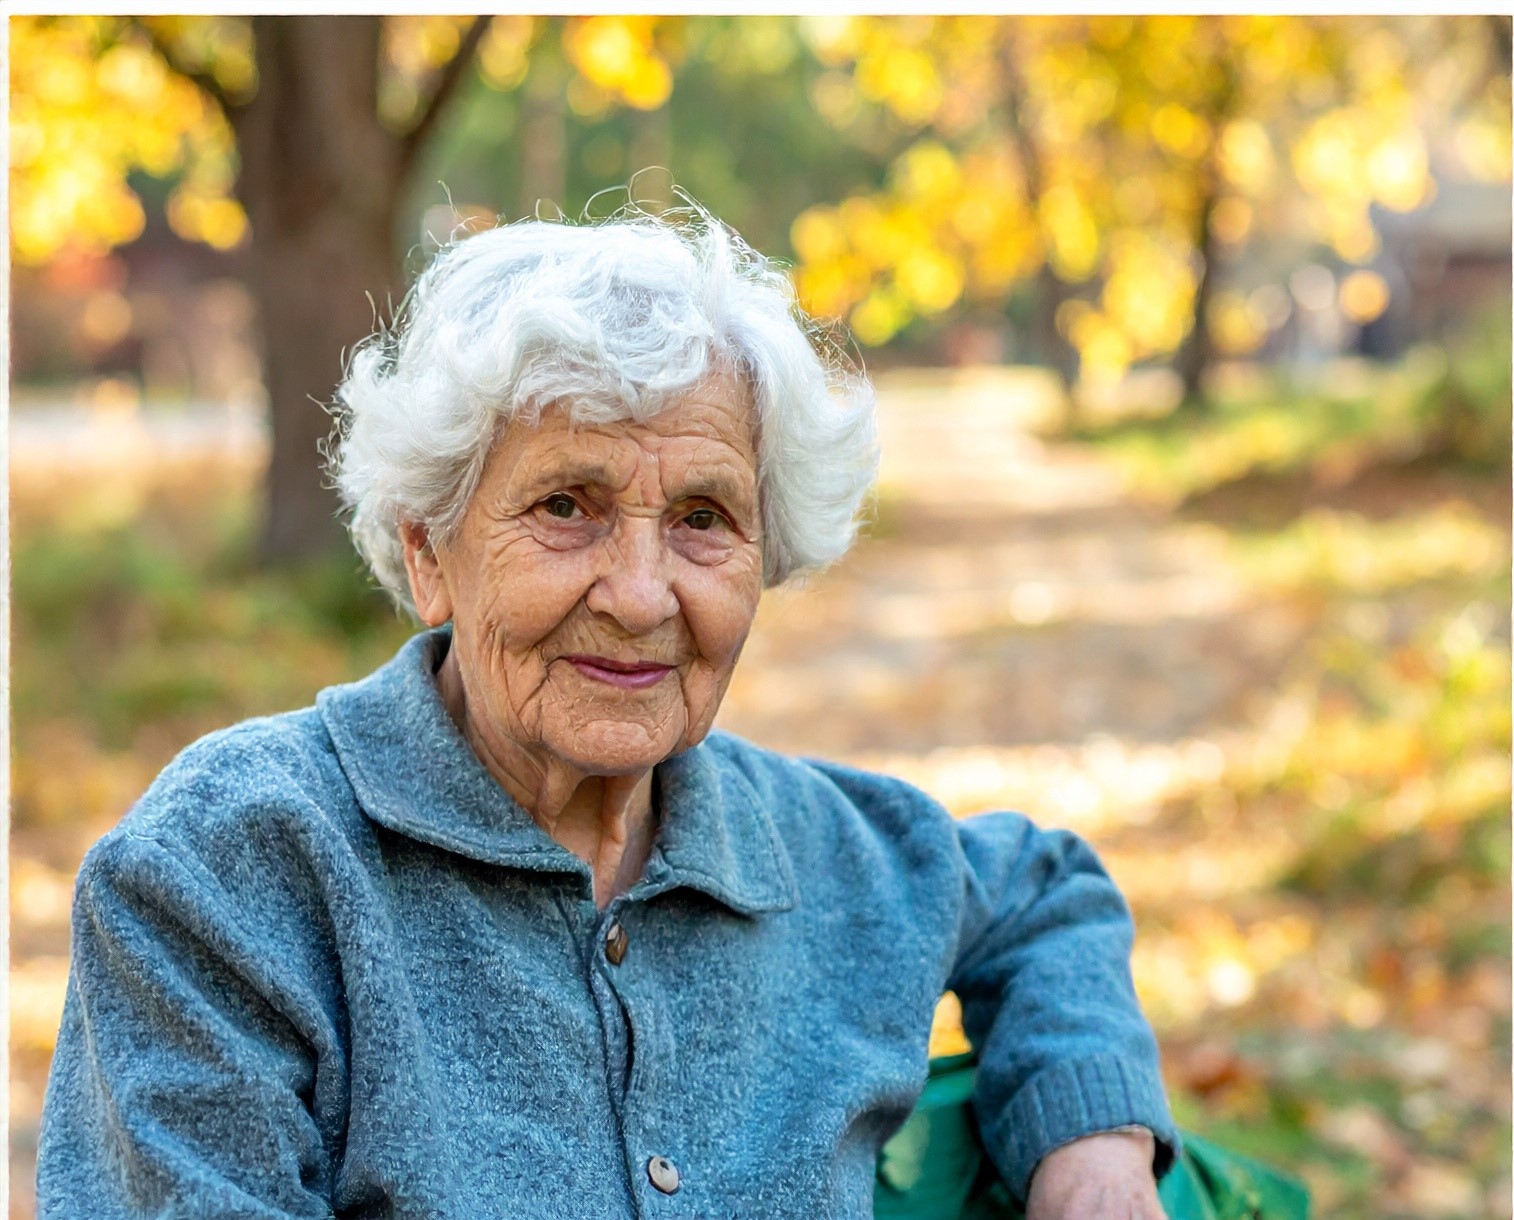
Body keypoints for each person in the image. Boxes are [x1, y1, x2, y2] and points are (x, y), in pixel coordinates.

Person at [37, 207, 1177, 1218]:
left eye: (701, 517)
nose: (639, 594)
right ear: (427, 554)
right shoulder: (227, 871)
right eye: (565, 505)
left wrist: (1093, 1155)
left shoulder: (826, 856)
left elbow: (1042, 894)